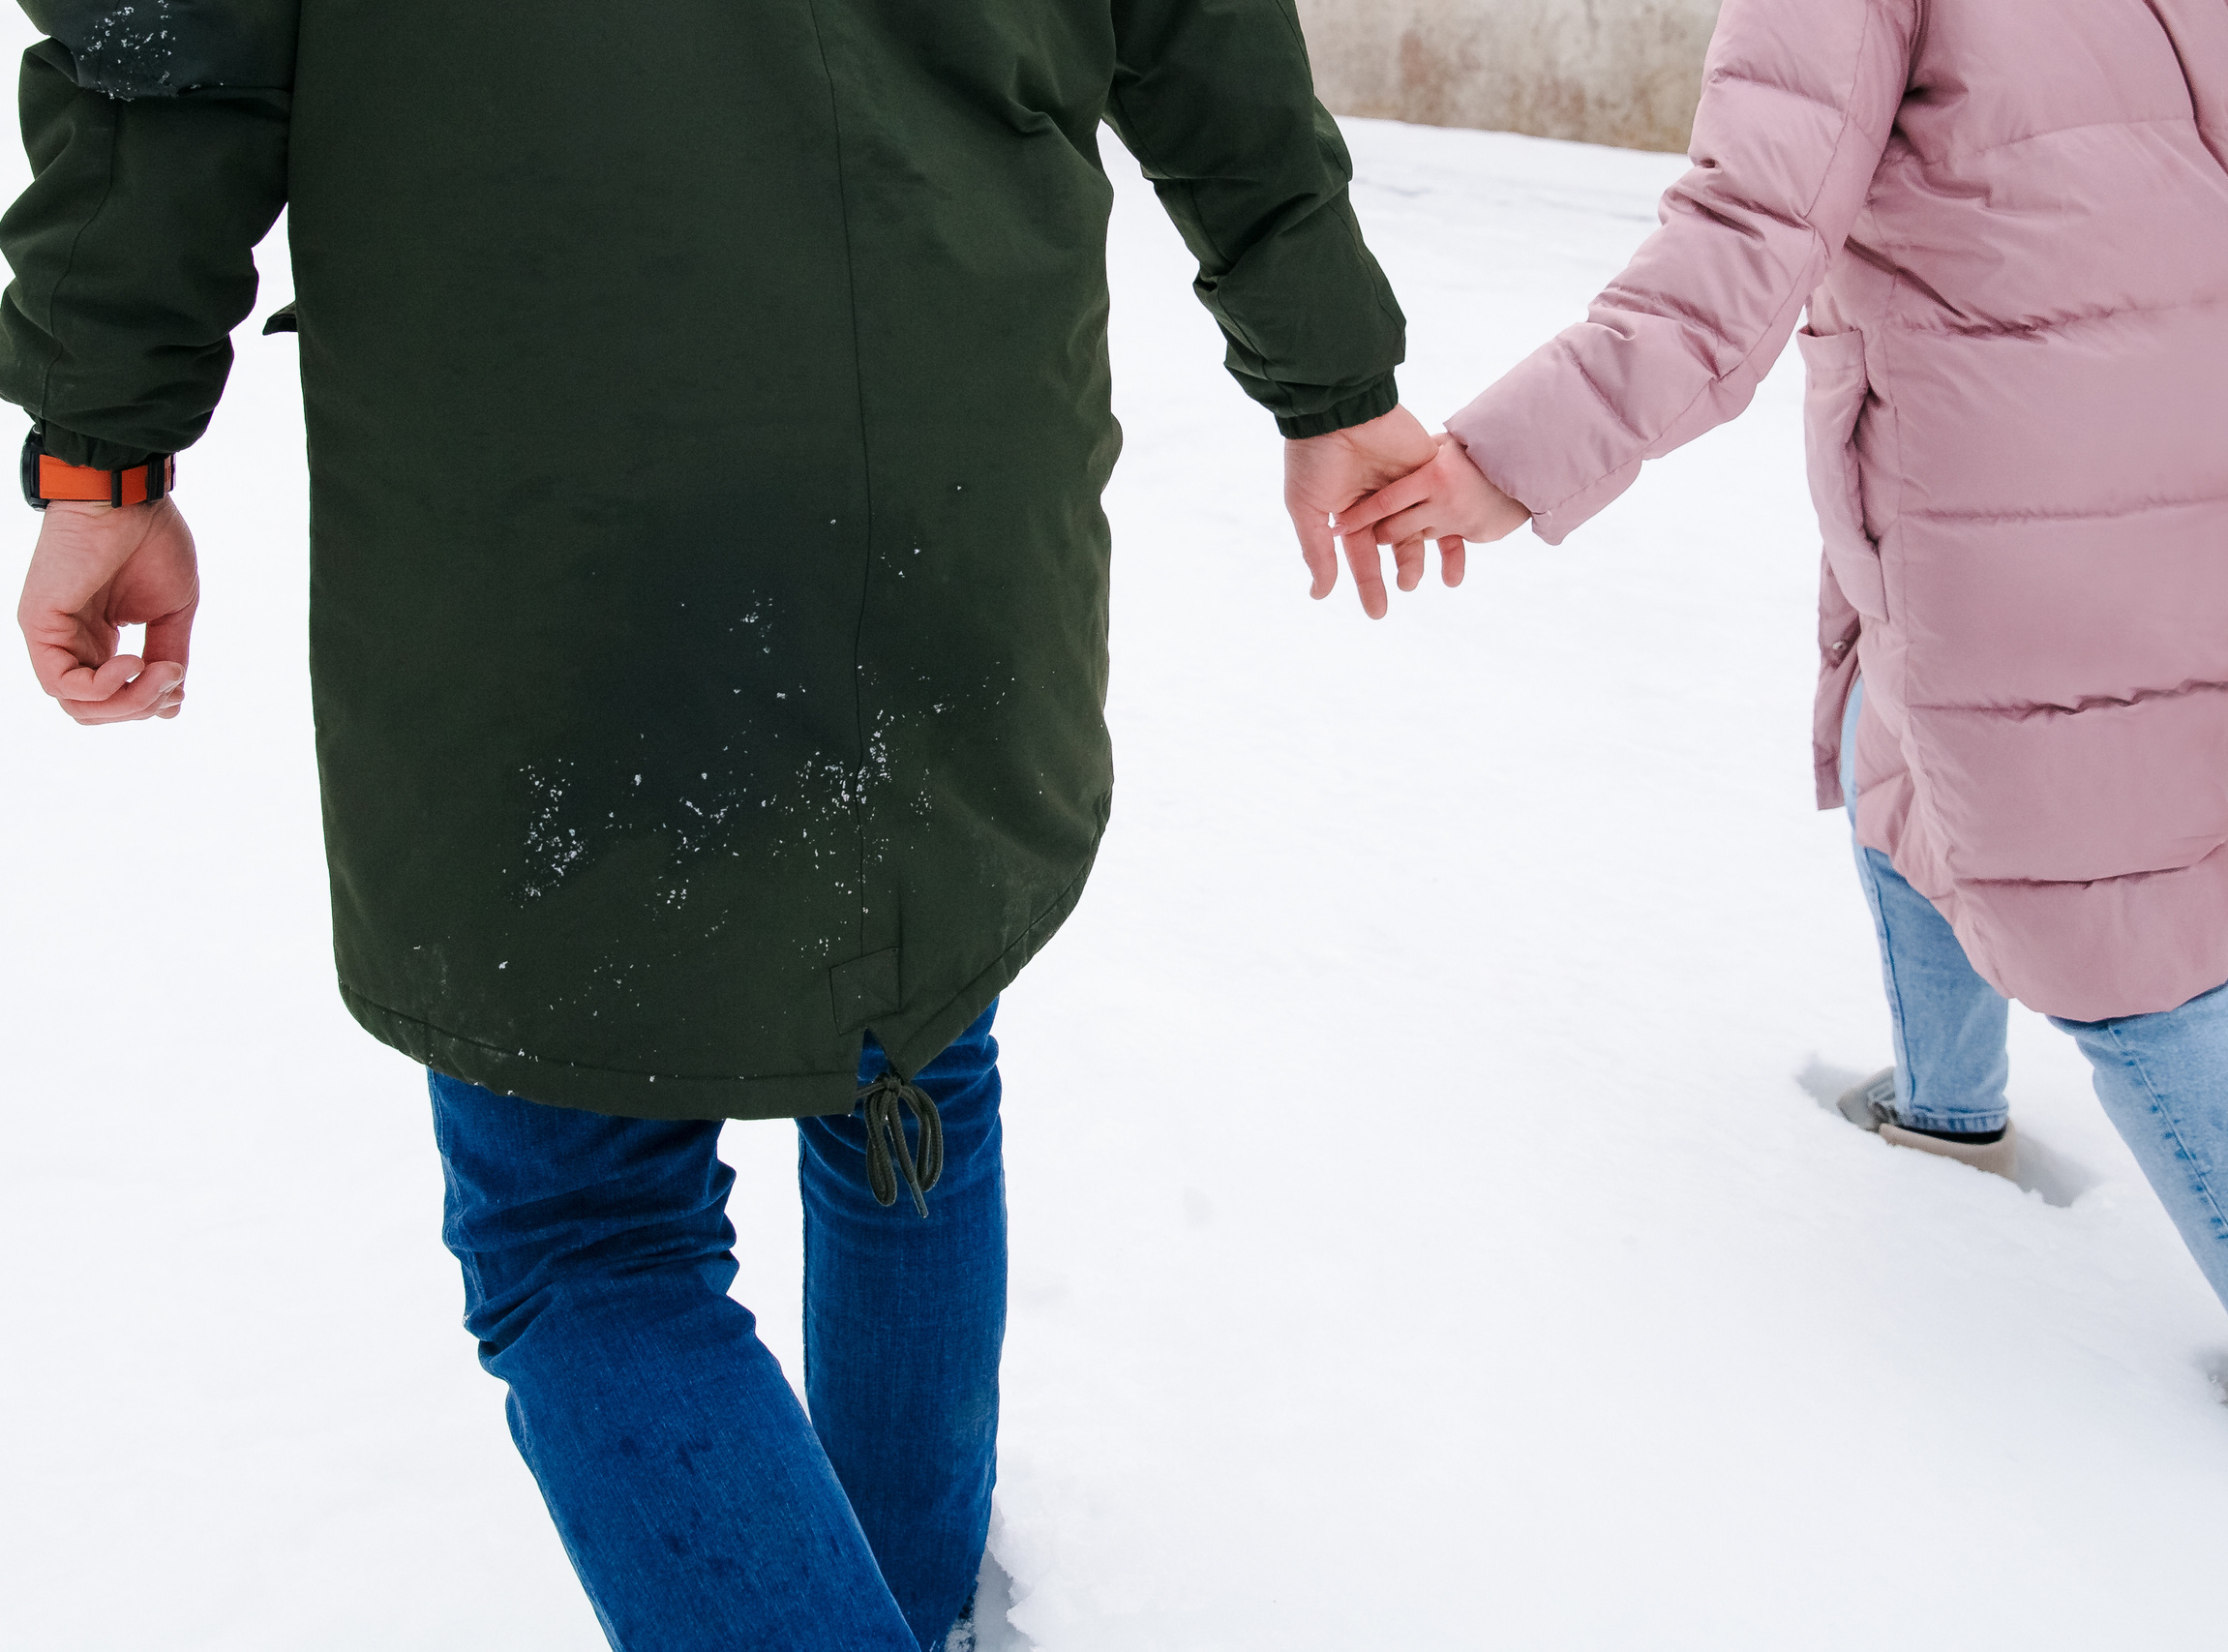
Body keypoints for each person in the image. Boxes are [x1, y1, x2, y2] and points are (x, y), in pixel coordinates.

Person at [5, 2, 1440, 1645]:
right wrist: (1328, 364)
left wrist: (103, 462)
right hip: (948, 451)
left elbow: (162, 48)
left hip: (549, 503)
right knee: (909, 1050)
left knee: (583, 1222)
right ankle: (908, 1613)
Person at [1342, 0, 2228, 1564]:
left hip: (1998, 435)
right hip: (2185, 412)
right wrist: (2136, 306)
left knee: (2110, 896)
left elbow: (1748, 233)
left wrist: (1509, 460)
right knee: (1905, 713)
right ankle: (1947, 1110)